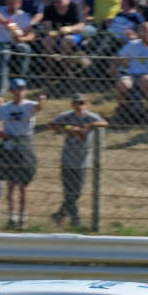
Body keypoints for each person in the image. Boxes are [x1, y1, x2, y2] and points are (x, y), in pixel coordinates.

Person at [48, 93, 107, 229]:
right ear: (72, 105)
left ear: (86, 104)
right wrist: (69, 127)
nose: (79, 106)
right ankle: (75, 220)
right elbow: (51, 125)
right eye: (76, 103)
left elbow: (104, 123)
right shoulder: (67, 116)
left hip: (82, 161)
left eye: (82, 103)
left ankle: (59, 215)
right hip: (67, 159)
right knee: (69, 192)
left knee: (76, 192)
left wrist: (89, 126)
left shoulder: (90, 116)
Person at [0, 78, 43, 227]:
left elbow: (39, 108)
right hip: (9, 145)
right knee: (11, 184)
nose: (19, 92)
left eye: (22, 89)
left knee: (23, 185)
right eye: (16, 89)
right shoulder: (5, 108)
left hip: (25, 144)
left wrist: (42, 100)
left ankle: (23, 217)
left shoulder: (30, 106)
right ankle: (12, 217)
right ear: (11, 91)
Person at [115, 21, 148, 112]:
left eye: (147, 31)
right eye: (141, 30)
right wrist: (113, 67)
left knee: (145, 79)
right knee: (123, 83)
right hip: (132, 75)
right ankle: (122, 105)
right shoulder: (133, 44)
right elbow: (118, 57)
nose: (143, 33)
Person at [0, 0, 35, 92]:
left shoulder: (24, 16)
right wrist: (10, 25)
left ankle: (21, 83)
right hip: (0, 44)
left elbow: (32, 34)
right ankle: (3, 86)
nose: (12, 6)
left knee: (25, 49)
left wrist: (23, 38)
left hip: (16, 44)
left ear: (20, 3)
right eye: (10, 3)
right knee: (5, 53)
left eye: (14, 3)